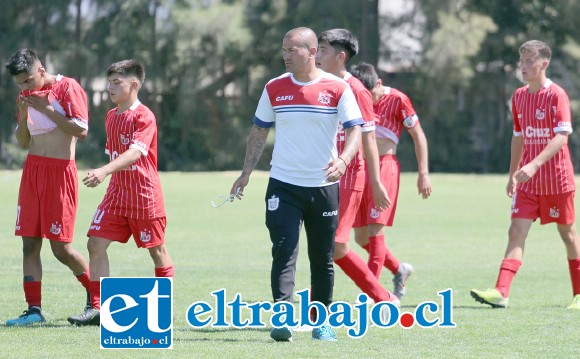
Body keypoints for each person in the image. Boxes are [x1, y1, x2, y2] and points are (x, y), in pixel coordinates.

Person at [230, 27, 363, 342]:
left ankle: (322, 323)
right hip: (283, 185)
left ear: (312, 51)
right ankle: (283, 318)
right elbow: (259, 131)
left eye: (292, 50)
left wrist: (343, 160)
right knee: (283, 251)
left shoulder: (338, 88)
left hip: (322, 187)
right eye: (284, 49)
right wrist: (246, 171)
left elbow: (355, 130)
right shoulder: (275, 87)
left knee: (322, 257)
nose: (285, 55)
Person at [471, 40, 580, 309]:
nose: (524, 66)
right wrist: (512, 175)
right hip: (528, 184)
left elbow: (562, 137)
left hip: (557, 180)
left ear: (544, 63)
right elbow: (518, 137)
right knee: (515, 231)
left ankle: (579, 293)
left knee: (567, 234)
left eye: (530, 61)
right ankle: (501, 292)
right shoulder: (519, 96)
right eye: (522, 61)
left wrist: (533, 165)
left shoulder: (556, 95)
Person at [67, 59, 174, 325]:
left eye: (117, 83)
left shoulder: (144, 116)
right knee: (95, 243)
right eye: (109, 82)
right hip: (117, 194)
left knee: (156, 250)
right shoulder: (111, 116)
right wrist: (108, 173)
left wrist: (103, 171)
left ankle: (164, 307)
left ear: (134, 84)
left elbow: (136, 153)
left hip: (143, 195)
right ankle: (98, 308)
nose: (110, 88)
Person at [4, 49, 92, 326]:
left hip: (59, 173)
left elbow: (81, 130)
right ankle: (34, 311)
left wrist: (47, 109)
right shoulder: (25, 96)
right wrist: (22, 112)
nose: (25, 87)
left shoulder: (68, 87)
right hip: (32, 172)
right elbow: (22, 141)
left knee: (60, 249)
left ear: (41, 71)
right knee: (29, 243)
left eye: (28, 81)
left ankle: (99, 298)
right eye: (19, 83)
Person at [315, 29, 399, 306]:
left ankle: (381, 297)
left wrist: (376, 183)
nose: (317, 55)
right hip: (321, 177)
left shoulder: (358, 90)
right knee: (327, 247)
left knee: (334, 246)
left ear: (341, 57)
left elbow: (370, 140)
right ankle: (381, 297)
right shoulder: (318, 84)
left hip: (350, 176)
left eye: (323, 50)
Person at [351, 62, 432, 300]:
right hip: (360, 168)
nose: (370, 99)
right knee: (360, 238)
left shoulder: (398, 99)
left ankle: (372, 291)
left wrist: (423, 172)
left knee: (376, 231)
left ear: (379, 84)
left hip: (385, 166)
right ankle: (399, 269)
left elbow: (418, 136)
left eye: (372, 94)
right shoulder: (355, 97)